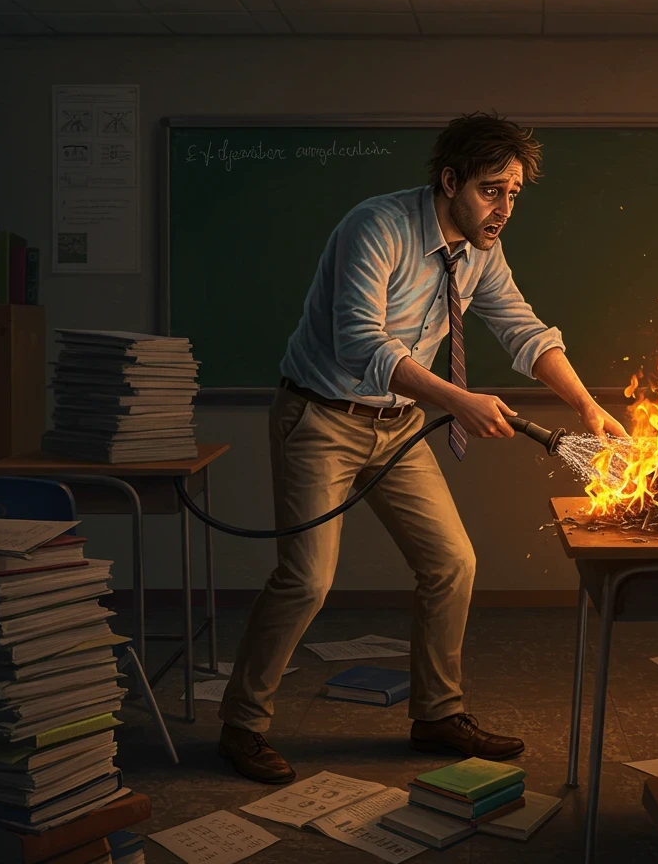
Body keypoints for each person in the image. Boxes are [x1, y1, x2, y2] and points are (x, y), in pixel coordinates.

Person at [216, 112, 628, 784]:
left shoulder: (482, 252)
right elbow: (362, 343)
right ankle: (242, 725)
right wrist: (459, 401)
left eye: (515, 193)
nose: (504, 207)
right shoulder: (375, 229)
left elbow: (524, 330)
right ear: (448, 180)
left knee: (452, 563)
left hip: (399, 423)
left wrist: (586, 407)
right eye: (492, 190)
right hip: (321, 416)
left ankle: (436, 714)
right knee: (307, 580)